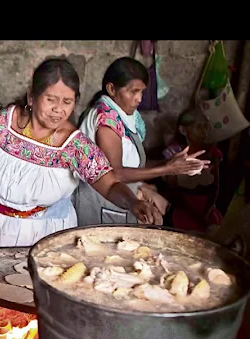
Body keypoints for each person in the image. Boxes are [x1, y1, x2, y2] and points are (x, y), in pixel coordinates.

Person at [0, 58, 162, 249]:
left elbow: (109, 183)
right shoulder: (7, 119)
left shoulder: (74, 145)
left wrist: (133, 203)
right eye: (51, 99)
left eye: (67, 102)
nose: (58, 109)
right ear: (32, 97)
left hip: (37, 237)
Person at [74, 57, 209, 225]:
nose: (139, 98)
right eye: (133, 91)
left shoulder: (119, 115)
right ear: (111, 89)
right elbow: (115, 174)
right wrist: (166, 169)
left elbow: (133, 166)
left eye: (142, 92)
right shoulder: (106, 120)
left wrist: (172, 164)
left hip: (117, 201)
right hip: (100, 203)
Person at [159, 107, 224, 233]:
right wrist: (196, 216)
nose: (204, 131)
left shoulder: (212, 153)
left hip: (207, 209)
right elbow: (173, 193)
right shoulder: (173, 153)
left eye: (206, 126)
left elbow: (216, 187)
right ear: (183, 130)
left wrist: (207, 211)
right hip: (182, 211)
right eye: (198, 127)